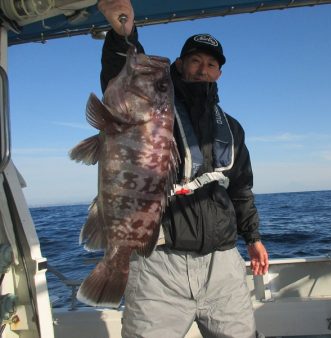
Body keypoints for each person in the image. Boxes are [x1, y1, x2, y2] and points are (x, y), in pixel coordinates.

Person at [97, 1, 269, 337]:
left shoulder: (231, 128)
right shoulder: (155, 109)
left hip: (223, 269)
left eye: (210, 64)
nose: (202, 69)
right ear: (180, 64)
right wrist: (124, 34)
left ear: (219, 72)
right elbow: (126, 80)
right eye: (195, 61)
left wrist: (254, 238)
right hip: (158, 267)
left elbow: (240, 189)